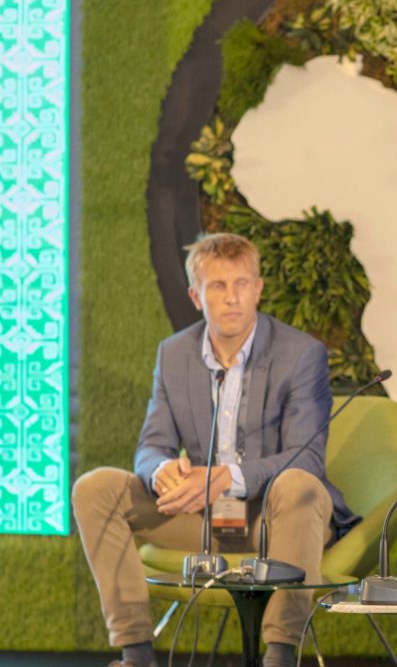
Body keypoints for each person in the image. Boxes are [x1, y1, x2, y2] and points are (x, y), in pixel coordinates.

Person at [72, 233, 359, 667]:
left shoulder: (301, 354)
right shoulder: (173, 354)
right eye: (218, 287)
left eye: (242, 284)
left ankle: (280, 654)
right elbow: (151, 445)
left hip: (275, 518)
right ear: (195, 295)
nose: (232, 299)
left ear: (258, 288)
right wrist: (162, 470)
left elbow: (307, 456)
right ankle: (136, 653)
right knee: (96, 487)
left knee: (300, 482)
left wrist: (229, 477)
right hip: (205, 519)